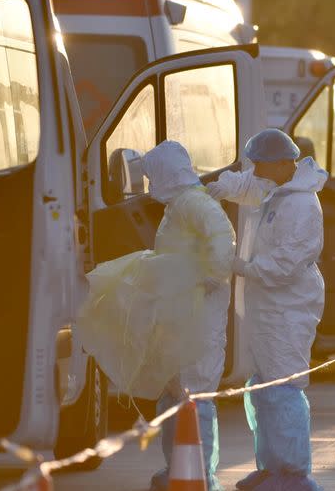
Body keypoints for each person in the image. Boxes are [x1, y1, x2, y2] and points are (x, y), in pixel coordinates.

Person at [207, 128, 327, 491]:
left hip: (288, 312)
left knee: (283, 389)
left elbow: (284, 265)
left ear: (281, 163)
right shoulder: (278, 188)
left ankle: (293, 475)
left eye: (260, 164)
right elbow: (248, 184)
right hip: (268, 310)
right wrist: (217, 187)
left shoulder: (302, 205)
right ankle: (271, 466)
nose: (255, 171)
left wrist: (240, 266)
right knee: (262, 388)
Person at [140, 141, 235, 491]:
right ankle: (181, 469)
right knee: (175, 395)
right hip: (184, 314)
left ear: (167, 172)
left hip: (200, 316)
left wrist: (208, 275)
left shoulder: (195, 204)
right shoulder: (180, 205)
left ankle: (198, 475)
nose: (150, 184)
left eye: (153, 175)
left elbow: (223, 243)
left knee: (194, 396)